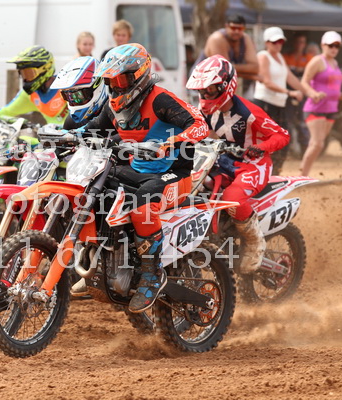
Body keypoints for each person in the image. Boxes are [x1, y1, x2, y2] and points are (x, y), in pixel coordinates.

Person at [80, 43, 210, 313]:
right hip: (138, 171)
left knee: (142, 204)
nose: (116, 87)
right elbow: (90, 130)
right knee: (94, 188)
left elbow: (200, 125)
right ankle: (98, 263)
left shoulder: (160, 99)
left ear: (139, 75)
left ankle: (152, 275)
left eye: (121, 80)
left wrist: (171, 142)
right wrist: (63, 137)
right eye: (111, 82)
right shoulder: (113, 106)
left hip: (174, 175)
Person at [186, 55, 290, 276]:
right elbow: (191, 131)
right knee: (190, 182)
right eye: (202, 90)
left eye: (210, 90)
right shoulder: (205, 110)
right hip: (224, 161)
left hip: (254, 165)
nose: (205, 95)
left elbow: (282, 135)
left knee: (232, 197)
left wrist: (262, 147)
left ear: (226, 86)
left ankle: (254, 241)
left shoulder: (249, 112)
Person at [253, 27, 305, 175]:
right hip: (264, 104)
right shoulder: (263, 56)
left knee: (283, 140)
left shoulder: (280, 58)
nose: (278, 45)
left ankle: (274, 173)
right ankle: (262, 174)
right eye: (274, 42)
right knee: (265, 142)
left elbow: (291, 78)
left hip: (279, 105)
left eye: (280, 41)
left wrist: (309, 92)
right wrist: (289, 92)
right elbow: (267, 81)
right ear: (267, 43)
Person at [300, 31, 342, 176]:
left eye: (337, 46)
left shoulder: (334, 63)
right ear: (323, 45)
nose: (334, 49)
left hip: (331, 108)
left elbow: (332, 86)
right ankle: (302, 175)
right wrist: (313, 94)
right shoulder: (317, 61)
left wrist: (340, 95)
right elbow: (304, 82)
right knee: (318, 143)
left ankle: (304, 172)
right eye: (330, 45)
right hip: (315, 108)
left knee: (317, 144)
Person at [0, 45, 68, 125]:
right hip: (51, 132)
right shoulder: (30, 95)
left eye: (29, 73)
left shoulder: (67, 86)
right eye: (23, 74)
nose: (26, 79)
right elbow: (6, 111)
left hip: (73, 132)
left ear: (45, 68)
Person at [194, 14, 259, 93]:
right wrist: (252, 76)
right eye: (233, 28)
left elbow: (255, 68)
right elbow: (224, 71)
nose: (236, 31)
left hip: (225, 87)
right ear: (226, 26)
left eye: (240, 28)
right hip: (203, 85)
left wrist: (233, 67)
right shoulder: (217, 38)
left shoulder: (245, 38)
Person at [50, 56, 109, 130]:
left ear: (96, 88)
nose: (73, 102)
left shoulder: (113, 113)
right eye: (67, 96)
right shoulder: (72, 122)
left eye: (77, 96)